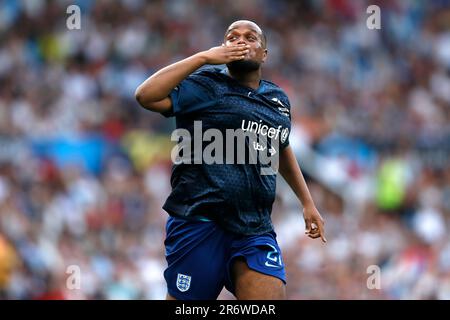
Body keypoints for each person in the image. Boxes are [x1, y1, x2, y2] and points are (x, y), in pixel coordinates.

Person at [135, 20, 326, 300]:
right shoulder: (205, 86)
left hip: (255, 227)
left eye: (251, 37)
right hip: (199, 222)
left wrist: (307, 202)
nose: (240, 41)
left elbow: (281, 146)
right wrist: (202, 58)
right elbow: (145, 95)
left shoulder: (278, 99)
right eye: (232, 37)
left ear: (264, 54)